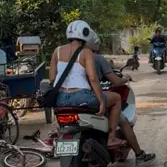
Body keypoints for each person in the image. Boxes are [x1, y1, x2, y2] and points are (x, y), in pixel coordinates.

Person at [50, 20, 124, 148]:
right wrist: (101, 101)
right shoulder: (86, 52)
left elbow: (52, 78)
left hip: (60, 98)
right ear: (86, 34)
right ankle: (111, 138)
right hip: (81, 97)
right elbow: (93, 78)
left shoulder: (57, 51)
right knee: (116, 98)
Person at [87, 32, 155, 166]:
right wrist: (124, 79)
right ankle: (139, 155)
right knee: (124, 121)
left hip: (73, 100)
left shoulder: (70, 58)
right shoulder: (97, 59)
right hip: (93, 97)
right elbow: (114, 81)